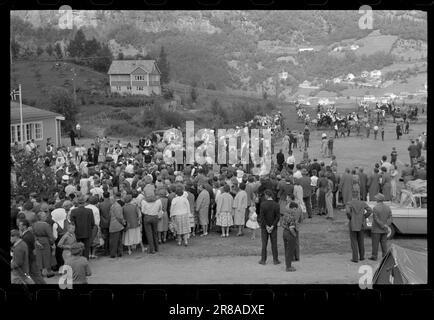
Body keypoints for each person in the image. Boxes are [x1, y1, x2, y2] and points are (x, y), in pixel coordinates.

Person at [346, 193, 372, 263]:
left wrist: (351, 217)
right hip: (361, 224)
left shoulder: (349, 203)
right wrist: (364, 216)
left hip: (353, 224)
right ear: (358, 197)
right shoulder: (363, 203)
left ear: (352, 197)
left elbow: (348, 212)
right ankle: (362, 257)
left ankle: (355, 258)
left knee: (354, 241)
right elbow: (370, 210)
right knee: (361, 241)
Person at [17, 220, 46, 284]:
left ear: (24, 226)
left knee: (36, 275)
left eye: (20, 225)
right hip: (32, 258)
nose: (18, 227)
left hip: (30, 259)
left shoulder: (26, 237)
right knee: (35, 275)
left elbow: (26, 250)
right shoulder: (28, 234)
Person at [258, 190, 280, 265]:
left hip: (264, 227)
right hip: (273, 227)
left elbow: (262, 217)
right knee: (274, 243)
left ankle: (263, 260)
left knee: (264, 244)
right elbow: (277, 217)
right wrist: (273, 226)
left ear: (267, 195)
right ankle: (275, 260)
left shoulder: (263, 204)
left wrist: (266, 226)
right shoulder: (276, 204)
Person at [70, 195, 95, 260]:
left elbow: (72, 223)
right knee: (86, 247)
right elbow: (92, 222)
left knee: (78, 247)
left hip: (77, 232)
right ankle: (85, 260)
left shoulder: (73, 211)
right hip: (87, 231)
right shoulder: (89, 211)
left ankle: (79, 259)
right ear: (84, 202)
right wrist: (90, 228)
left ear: (78, 203)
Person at [369, 193, 392, 261]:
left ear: (378, 199)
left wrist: (382, 225)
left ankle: (374, 256)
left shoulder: (375, 208)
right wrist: (386, 225)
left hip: (376, 229)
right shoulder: (388, 207)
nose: (375, 199)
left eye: (376, 198)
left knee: (375, 244)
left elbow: (376, 219)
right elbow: (390, 217)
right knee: (384, 243)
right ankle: (385, 256)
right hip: (384, 229)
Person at [32, 211, 55, 278]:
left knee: (39, 257)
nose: (46, 217)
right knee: (47, 256)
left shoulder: (34, 224)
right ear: (41, 217)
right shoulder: (46, 225)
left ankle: (40, 273)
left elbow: (33, 234)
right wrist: (52, 243)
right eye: (44, 216)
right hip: (45, 241)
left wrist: (36, 241)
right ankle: (49, 272)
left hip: (38, 242)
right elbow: (50, 236)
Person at [281, 202, 300, 272]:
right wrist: (295, 235)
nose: (295, 210)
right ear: (291, 208)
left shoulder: (285, 214)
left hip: (284, 233)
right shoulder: (292, 217)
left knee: (287, 250)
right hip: (290, 234)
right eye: (294, 209)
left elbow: (282, 224)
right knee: (290, 251)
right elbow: (292, 228)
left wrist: (286, 227)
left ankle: (288, 265)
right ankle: (288, 267)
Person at [109, 192, 126, 258]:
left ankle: (114, 254)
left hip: (116, 225)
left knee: (114, 241)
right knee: (118, 240)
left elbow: (119, 217)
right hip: (117, 225)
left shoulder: (116, 206)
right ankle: (119, 253)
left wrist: (122, 222)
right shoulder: (115, 205)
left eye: (110, 200)